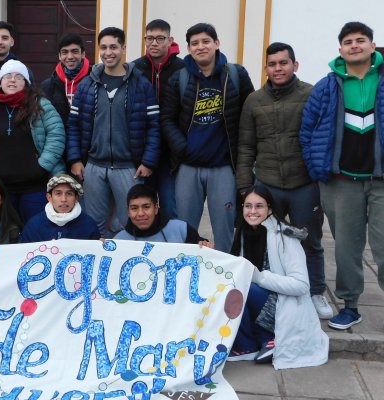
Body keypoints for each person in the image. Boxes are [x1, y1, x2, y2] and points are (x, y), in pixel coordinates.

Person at [237, 42, 332, 320]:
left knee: (310, 240)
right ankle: (265, 289)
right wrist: (245, 186)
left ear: (295, 65)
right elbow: (245, 147)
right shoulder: (254, 100)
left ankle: (315, 290)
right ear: (265, 67)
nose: (278, 68)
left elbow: (322, 138)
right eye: (272, 64)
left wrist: (319, 177)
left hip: (303, 184)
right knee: (265, 239)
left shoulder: (311, 94)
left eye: (283, 63)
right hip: (267, 184)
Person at [300, 22, 384, 330]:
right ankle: (350, 306)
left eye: (360, 40)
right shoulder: (327, 85)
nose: (354, 45)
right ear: (340, 50)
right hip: (341, 181)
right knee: (347, 248)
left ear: (372, 46)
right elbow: (307, 130)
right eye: (348, 42)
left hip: (380, 181)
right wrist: (316, 167)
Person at [161, 23, 254, 252]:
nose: (201, 47)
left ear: (216, 43)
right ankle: (187, 276)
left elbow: (250, 114)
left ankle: (224, 279)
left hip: (223, 166)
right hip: (188, 166)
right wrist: (182, 148)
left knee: (224, 229)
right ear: (188, 48)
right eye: (195, 43)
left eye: (205, 41)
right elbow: (166, 119)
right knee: (185, 229)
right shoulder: (179, 79)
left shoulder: (236, 75)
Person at [67, 27, 161, 237]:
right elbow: (73, 124)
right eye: (104, 47)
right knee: (94, 224)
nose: (108, 52)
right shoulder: (87, 85)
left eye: (113, 47)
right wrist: (75, 159)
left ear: (123, 49)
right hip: (93, 166)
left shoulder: (141, 85)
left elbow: (154, 125)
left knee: (130, 223)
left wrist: (148, 162)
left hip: (128, 167)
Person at [228, 186, 329, 369]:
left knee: (243, 288)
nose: (252, 211)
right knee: (229, 286)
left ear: (270, 209)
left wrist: (259, 277)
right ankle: (247, 345)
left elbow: (301, 285)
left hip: (286, 302)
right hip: (262, 298)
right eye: (248, 206)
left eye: (259, 206)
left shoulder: (285, 236)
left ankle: (269, 337)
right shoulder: (243, 232)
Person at [0, 60, 65, 223]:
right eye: (7, 76)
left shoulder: (41, 105)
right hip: (1, 189)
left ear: (26, 83)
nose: (12, 80)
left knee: (34, 234)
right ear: (0, 82)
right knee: (7, 237)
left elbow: (56, 136)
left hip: (34, 186)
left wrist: (42, 165)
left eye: (18, 76)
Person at [133, 19, 185, 219]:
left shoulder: (183, 69)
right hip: (141, 152)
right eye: (150, 38)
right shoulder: (135, 69)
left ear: (170, 40)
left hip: (170, 154)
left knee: (170, 207)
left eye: (160, 38)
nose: (154, 43)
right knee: (142, 208)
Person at [114, 184, 212, 247]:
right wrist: (99, 248)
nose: (140, 213)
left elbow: (204, 261)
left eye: (146, 207)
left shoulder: (182, 230)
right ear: (128, 211)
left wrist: (205, 246)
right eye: (134, 208)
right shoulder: (118, 241)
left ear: (156, 208)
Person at [20, 174, 100, 242]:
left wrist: (100, 247)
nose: (63, 199)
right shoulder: (34, 225)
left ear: (76, 198)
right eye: (58, 193)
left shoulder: (89, 225)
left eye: (69, 194)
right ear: (49, 197)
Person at [41, 33, 91, 127]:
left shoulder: (95, 81)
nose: (70, 56)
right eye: (65, 52)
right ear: (59, 56)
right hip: (59, 139)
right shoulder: (47, 86)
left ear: (83, 54)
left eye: (75, 51)